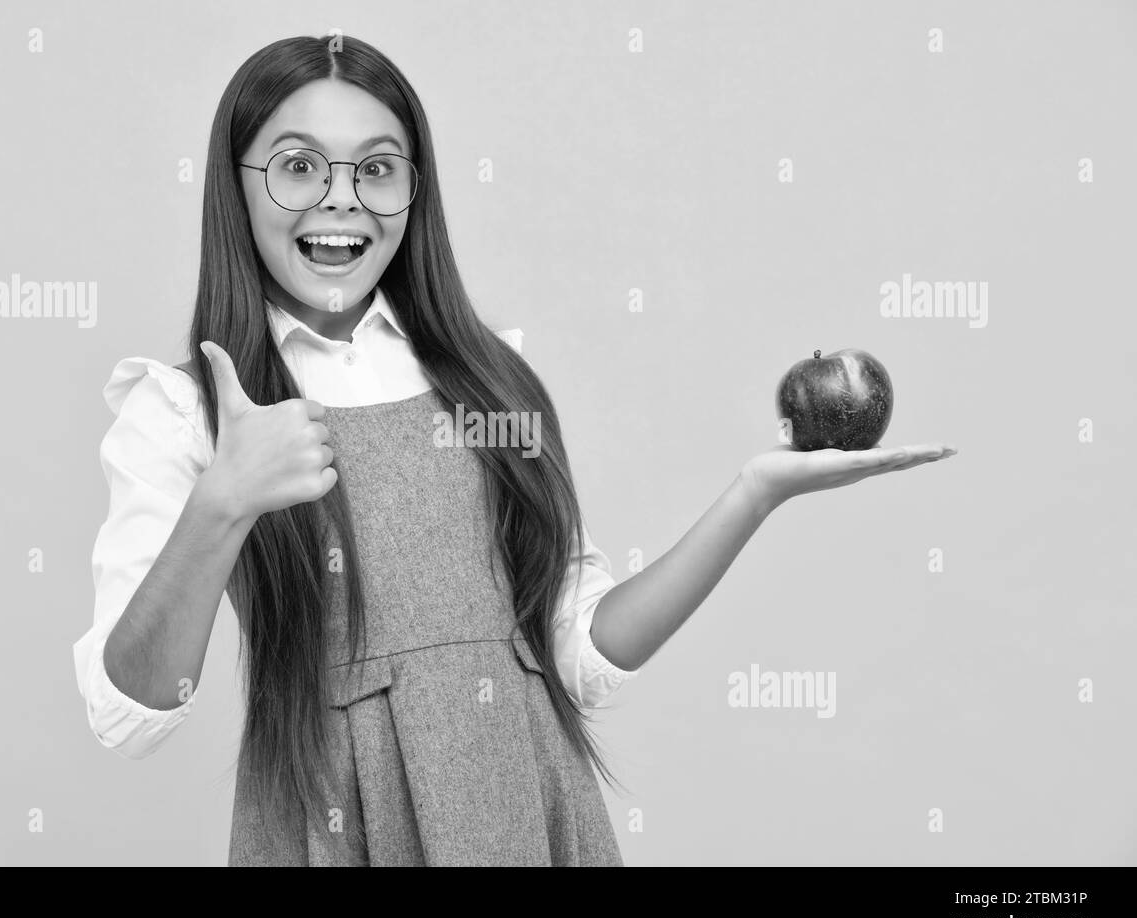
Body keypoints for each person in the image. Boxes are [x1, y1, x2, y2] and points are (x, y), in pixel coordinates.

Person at [72, 34, 956, 866]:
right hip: (326, 826)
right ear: (237, 185)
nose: (341, 197)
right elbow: (131, 712)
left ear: (413, 192)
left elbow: (582, 650)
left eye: (377, 169)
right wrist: (221, 504)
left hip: (521, 812)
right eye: (298, 166)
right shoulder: (184, 409)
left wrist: (754, 495)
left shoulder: (491, 379)